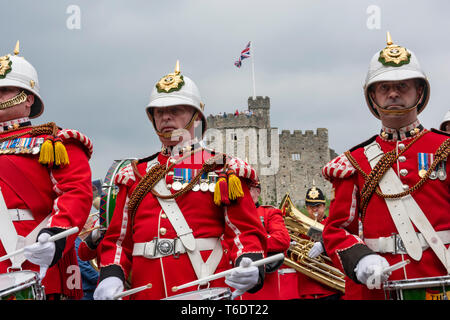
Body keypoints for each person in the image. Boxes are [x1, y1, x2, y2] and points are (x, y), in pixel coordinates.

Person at [93, 61, 267, 300]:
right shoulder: (134, 174)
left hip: (202, 290)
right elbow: (118, 240)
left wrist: (251, 262)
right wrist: (111, 274)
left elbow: (244, 231)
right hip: (146, 291)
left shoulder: (223, 170)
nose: (165, 116)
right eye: (159, 111)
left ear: (196, 116)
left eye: (176, 110)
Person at [322, 32, 450, 300]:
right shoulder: (354, 162)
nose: (393, 93)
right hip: (379, 289)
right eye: (384, 87)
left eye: (403, 86)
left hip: (441, 283)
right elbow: (336, 230)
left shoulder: (445, 149)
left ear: (420, 91)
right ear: (373, 96)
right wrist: (360, 260)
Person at [0, 42, 93, 299]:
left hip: (33, 256)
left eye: (5, 90)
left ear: (28, 98)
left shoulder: (54, 141)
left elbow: (75, 193)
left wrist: (55, 235)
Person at [240, 180, 290, 300]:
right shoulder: (232, 215)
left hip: (264, 288)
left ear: (257, 191)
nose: (243, 193)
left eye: (248, 189)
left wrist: (250, 243)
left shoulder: (269, 212)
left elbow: (282, 239)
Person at [295, 186, 342, 300]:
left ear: (324, 206)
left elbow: (342, 241)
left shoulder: (332, 225)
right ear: (306, 208)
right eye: (311, 207)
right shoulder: (301, 227)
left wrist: (324, 246)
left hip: (330, 288)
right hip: (307, 289)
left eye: (318, 206)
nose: (314, 210)